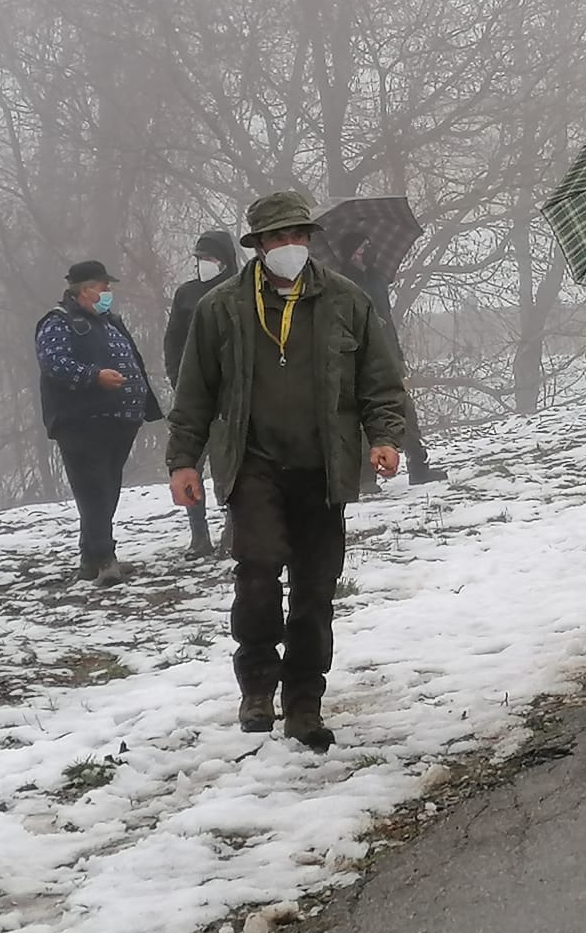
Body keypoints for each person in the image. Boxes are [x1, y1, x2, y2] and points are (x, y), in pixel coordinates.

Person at [166, 190, 408, 749]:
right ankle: (257, 683)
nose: (290, 246)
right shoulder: (221, 308)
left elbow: (380, 379)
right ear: (257, 246)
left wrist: (387, 437)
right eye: (278, 238)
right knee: (257, 570)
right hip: (253, 464)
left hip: (324, 467)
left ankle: (304, 701)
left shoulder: (347, 301)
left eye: (298, 235)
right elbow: (195, 391)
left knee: (315, 589)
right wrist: (184, 459)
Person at [36, 261, 163, 585]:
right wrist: (95, 376)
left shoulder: (109, 322)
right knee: (92, 491)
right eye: (104, 287)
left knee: (105, 490)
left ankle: (89, 560)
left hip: (119, 421)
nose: (108, 293)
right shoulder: (58, 322)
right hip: (82, 422)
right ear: (85, 288)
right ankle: (105, 559)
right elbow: (54, 364)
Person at [332, 231, 447, 490]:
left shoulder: (375, 278)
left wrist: (398, 356)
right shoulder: (340, 284)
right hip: (358, 357)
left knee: (404, 408)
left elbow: (387, 319)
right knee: (364, 417)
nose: (368, 250)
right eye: (363, 246)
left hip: (388, 354)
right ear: (352, 252)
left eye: (369, 245)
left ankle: (418, 465)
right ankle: (365, 476)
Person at [163, 231, 240, 557]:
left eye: (210, 258)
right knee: (189, 463)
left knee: (232, 468)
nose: (204, 265)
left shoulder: (241, 292)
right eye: (199, 259)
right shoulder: (186, 295)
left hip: (231, 399)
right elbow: (173, 342)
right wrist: (179, 380)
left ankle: (234, 530)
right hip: (194, 396)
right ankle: (199, 535)